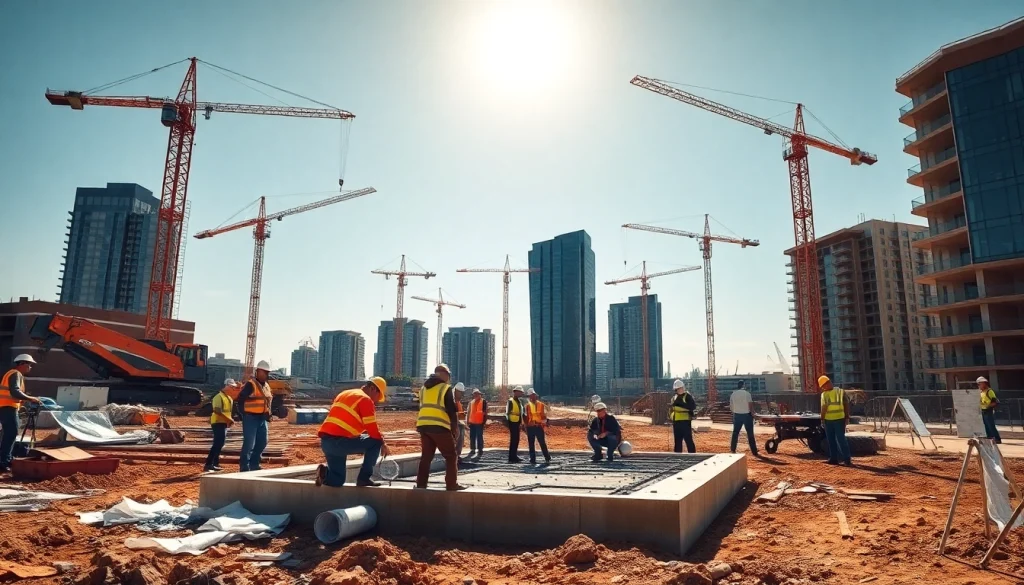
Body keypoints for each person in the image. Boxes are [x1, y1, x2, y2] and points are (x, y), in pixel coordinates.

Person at [315, 377, 389, 487]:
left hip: (327, 443)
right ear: (373, 388)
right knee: (375, 442)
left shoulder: (345, 393)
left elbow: (346, 419)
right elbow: (372, 430)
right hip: (340, 442)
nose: (376, 400)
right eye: (378, 396)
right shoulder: (365, 399)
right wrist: (383, 443)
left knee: (337, 480)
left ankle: (324, 473)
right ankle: (364, 479)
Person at [415, 364, 466, 491]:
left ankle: (421, 484)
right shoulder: (444, 388)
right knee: (451, 455)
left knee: (426, 457)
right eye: (448, 375)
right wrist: (455, 428)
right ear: (443, 374)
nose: (449, 378)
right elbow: (450, 410)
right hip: (439, 426)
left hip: (423, 425)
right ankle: (451, 484)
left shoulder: (423, 389)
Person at [0, 355, 41, 473]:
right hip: (8, 407)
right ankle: (4, 462)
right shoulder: (16, 374)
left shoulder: (11, 373)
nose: (30, 367)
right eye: (29, 364)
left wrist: (22, 400)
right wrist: (31, 398)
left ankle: (5, 459)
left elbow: (12, 393)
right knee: (11, 434)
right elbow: (15, 392)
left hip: (5, 406)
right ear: (22, 364)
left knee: (7, 434)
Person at [236, 360, 273, 472]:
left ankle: (254, 464)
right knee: (249, 443)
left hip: (262, 418)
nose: (265, 374)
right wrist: (243, 414)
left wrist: (270, 413)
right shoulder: (250, 384)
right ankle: (244, 467)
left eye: (267, 372)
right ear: (257, 372)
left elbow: (266, 401)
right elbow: (240, 399)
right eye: (263, 372)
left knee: (262, 441)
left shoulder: (266, 386)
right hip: (251, 418)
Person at [204, 378, 239, 472]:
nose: (233, 389)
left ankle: (215, 463)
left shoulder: (229, 399)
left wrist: (228, 421)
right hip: (217, 422)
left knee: (220, 443)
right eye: (232, 387)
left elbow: (228, 412)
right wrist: (229, 420)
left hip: (224, 423)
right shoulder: (218, 397)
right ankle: (208, 464)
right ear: (227, 386)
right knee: (217, 443)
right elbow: (217, 410)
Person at [819, 375, 851, 466]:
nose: (824, 387)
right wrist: (847, 417)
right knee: (834, 439)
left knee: (837, 439)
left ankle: (843, 459)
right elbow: (846, 404)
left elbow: (823, 408)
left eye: (824, 385)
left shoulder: (825, 395)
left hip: (832, 420)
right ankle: (837, 459)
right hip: (837, 419)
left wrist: (822, 419)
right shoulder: (840, 392)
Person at [729, 380, 759, 456]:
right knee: (750, 433)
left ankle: (733, 449)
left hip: (737, 415)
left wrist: (734, 412)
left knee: (735, 433)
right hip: (747, 415)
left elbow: (731, 406)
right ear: (744, 385)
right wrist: (753, 414)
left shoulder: (733, 394)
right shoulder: (747, 394)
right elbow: (750, 405)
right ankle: (754, 451)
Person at [669, 379, 696, 453]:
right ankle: (677, 456)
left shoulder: (687, 396)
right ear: (676, 389)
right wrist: (671, 416)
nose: (681, 389)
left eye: (681, 388)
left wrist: (680, 405)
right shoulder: (674, 398)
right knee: (677, 441)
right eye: (679, 388)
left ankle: (692, 455)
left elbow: (692, 407)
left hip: (685, 421)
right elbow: (671, 409)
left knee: (688, 440)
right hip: (676, 422)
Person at [525, 389, 551, 464]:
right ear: (529, 396)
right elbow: (526, 417)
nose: (533, 396)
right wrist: (526, 426)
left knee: (542, 442)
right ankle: (532, 459)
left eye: (534, 395)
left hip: (539, 426)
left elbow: (543, 416)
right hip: (530, 427)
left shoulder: (541, 405)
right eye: (531, 395)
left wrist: (546, 422)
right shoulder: (527, 406)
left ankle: (547, 457)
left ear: (535, 395)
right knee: (531, 443)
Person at [979, 376, 1001, 444]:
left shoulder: (989, 391)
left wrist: (989, 406)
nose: (979, 385)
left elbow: (994, 401)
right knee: (986, 425)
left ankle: (997, 439)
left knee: (991, 425)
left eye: (980, 383)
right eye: (978, 384)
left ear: (985, 383)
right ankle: (989, 437)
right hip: (983, 410)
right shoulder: (982, 392)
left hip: (988, 410)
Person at [506, 386, 526, 463]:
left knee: (516, 439)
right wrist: (509, 423)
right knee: (513, 440)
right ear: (515, 392)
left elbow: (521, 413)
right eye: (520, 392)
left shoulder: (519, 402)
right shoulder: (510, 401)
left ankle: (514, 455)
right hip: (512, 422)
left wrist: (521, 422)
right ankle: (511, 457)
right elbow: (507, 413)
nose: (521, 393)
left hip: (517, 422)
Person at [466, 388, 488, 457]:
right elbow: (469, 412)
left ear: (480, 394)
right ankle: (472, 449)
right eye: (474, 394)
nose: (476, 395)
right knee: (472, 436)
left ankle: (480, 449)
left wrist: (485, 421)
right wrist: (467, 420)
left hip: (479, 422)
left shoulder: (483, 402)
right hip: (472, 422)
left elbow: (486, 412)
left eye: (477, 394)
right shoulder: (471, 402)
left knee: (479, 436)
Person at [453, 382, 468, 462]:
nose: (461, 395)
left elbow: (459, 413)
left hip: (460, 424)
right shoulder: (451, 400)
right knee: (454, 441)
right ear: (456, 391)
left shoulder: (458, 401)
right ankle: (454, 457)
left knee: (460, 441)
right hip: (454, 424)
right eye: (460, 393)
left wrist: (463, 415)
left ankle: (457, 456)